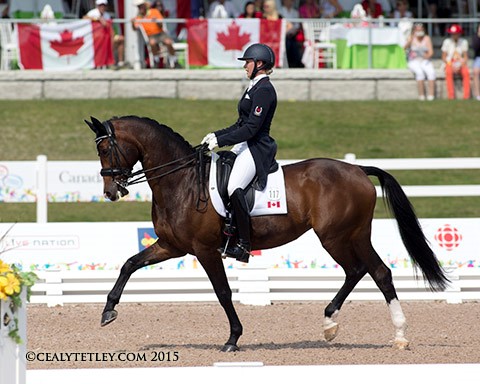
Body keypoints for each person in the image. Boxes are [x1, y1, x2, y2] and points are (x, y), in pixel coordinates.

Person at [201, 43, 279, 263]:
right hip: (245, 145)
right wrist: (215, 135)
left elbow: (252, 129)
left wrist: (221, 141)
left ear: (259, 64)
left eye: (248, 62)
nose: (245, 66)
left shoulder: (264, 90)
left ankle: (244, 245)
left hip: (257, 147)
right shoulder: (253, 87)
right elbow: (240, 123)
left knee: (234, 185)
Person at [131, 0, 179, 69]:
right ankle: (156, 60)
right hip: (150, 35)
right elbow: (135, 28)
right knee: (152, 43)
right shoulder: (138, 17)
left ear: (145, 6)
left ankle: (174, 61)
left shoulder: (154, 11)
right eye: (139, 7)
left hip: (160, 33)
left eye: (141, 6)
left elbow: (161, 25)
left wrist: (157, 21)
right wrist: (132, 23)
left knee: (168, 42)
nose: (140, 8)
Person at [84, 0, 126, 68]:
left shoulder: (107, 15)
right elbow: (84, 18)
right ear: (97, 6)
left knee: (120, 39)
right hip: (96, 38)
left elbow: (110, 29)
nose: (102, 7)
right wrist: (97, 19)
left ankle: (119, 62)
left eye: (104, 5)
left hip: (106, 37)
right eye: (100, 5)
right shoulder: (92, 13)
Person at [404, 23, 436, 101]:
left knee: (431, 72)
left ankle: (431, 96)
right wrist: (411, 39)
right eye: (417, 30)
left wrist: (426, 56)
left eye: (421, 30)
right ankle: (421, 96)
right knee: (419, 72)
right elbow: (404, 48)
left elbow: (431, 52)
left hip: (425, 60)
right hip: (413, 61)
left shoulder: (427, 38)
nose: (419, 31)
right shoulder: (411, 38)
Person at [441, 24, 470, 100]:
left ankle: (466, 96)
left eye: (456, 33)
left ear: (459, 33)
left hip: (460, 62)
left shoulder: (464, 42)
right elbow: (443, 57)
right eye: (453, 34)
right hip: (449, 62)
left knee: (466, 72)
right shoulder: (446, 42)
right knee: (448, 72)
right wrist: (451, 65)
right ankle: (451, 95)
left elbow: (465, 57)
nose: (454, 35)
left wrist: (460, 64)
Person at [280, 0, 304, 68]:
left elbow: (297, 25)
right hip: (283, 34)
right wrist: (286, 32)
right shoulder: (280, 11)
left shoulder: (295, 12)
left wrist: (292, 31)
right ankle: (290, 62)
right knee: (288, 42)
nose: (290, 2)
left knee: (292, 42)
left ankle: (295, 63)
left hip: (293, 34)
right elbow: (281, 24)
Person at [472, 24, 480, 101]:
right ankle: (478, 95)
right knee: (476, 71)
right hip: (478, 58)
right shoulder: (475, 38)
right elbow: (475, 48)